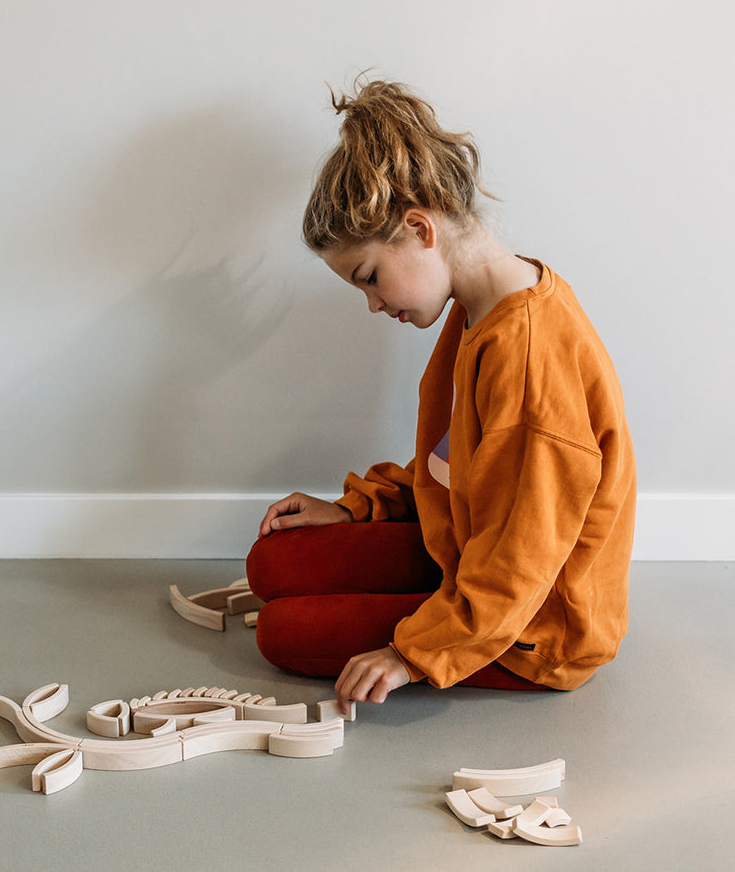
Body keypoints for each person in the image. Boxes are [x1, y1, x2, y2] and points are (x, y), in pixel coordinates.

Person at [246, 79, 636, 714]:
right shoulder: (480, 307)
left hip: (534, 625)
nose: (373, 304)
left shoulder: (529, 354)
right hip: (470, 549)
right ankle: (416, 592)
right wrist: (358, 509)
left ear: (420, 227)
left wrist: (411, 654)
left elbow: (523, 556)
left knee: (282, 632)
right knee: (273, 564)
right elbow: (459, 465)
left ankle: (451, 630)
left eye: (369, 277)